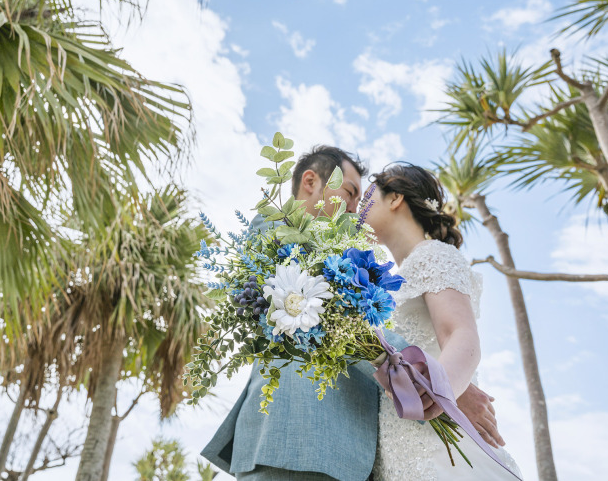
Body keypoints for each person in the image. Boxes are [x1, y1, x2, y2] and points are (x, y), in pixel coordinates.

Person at [201, 147, 504, 481]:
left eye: (362, 197)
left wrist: (445, 382)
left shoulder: (365, 263)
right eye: (349, 192)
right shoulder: (277, 229)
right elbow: (332, 316)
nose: (354, 208)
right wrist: (436, 382)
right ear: (310, 181)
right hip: (299, 439)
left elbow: (364, 322)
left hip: (364, 457)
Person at [363, 163, 522, 480]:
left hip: (438, 445)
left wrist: (439, 388)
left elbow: (460, 333)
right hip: (396, 448)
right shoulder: (389, 280)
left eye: (367, 196)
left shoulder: (432, 254)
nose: (358, 208)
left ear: (395, 198)